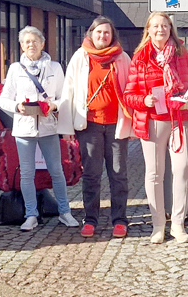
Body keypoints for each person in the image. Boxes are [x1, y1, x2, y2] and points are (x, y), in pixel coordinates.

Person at [123, 12, 188, 244]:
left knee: (183, 168)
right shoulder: (140, 57)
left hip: (179, 118)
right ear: (148, 29)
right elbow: (129, 94)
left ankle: (178, 223)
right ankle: (158, 224)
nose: (160, 30)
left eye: (164, 26)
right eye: (155, 26)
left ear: (170, 29)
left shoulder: (181, 52)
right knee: (155, 173)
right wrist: (143, 100)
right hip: (152, 120)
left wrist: (187, 97)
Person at [0, 26, 79, 232]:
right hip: (24, 129)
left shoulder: (55, 67)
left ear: (43, 44)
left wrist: (54, 105)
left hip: (48, 127)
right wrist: (17, 106)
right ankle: (31, 215)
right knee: (27, 173)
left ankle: (65, 212)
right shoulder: (15, 69)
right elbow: (4, 98)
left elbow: (64, 97)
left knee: (56, 171)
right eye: (27, 42)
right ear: (21, 46)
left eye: (35, 41)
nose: (31, 45)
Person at [58, 17, 131, 238]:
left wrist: (134, 125)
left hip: (116, 124)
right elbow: (68, 91)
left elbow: (131, 90)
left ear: (112, 35)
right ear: (91, 33)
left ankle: (120, 220)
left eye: (107, 32)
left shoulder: (122, 57)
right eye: (99, 32)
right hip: (89, 125)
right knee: (91, 175)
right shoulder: (80, 56)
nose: (103, 36)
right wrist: (66, 126)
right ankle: (90, 219)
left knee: (118, 174)